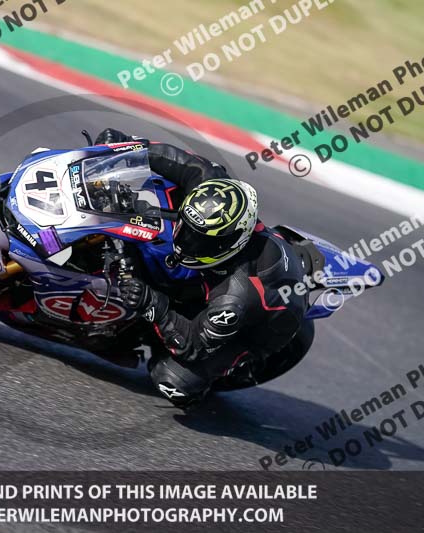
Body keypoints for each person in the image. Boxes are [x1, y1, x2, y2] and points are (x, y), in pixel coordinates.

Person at [93, 128, 312, 408]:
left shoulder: (234, 300)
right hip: (236, 275)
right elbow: (180, 161)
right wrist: (126, 148)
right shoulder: (218, 189)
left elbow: (191, 346)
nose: (186, 242)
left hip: (258, 328)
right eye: (188, 231)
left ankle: (209, 379)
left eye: (199, 240)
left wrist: (152, 303)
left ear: (231, 242)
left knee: (172, 380)